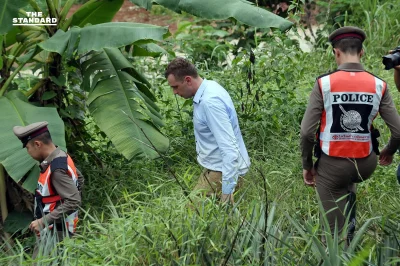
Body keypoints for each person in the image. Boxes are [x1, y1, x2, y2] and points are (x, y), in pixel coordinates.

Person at [300, 26, 400, 242]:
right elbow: (398, 132)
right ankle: (351, 232)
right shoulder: (379, 85)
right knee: (347, 181)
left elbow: (307, 133)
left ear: (336, 52)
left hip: (333, 164)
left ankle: (337, 247)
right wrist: (389, 151)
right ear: (362, 52)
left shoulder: (324, 84)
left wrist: (307, 166)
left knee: (332, 231)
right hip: (366, 164)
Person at [164, 57, 250, 204]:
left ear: (188, 80)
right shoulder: (209, 86)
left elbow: (229, 148)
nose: (174, 92)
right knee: (218, 221)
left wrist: (227, 191)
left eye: (176, 87)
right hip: (216, 168)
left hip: (223, 171)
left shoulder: (210, 103)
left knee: (192, 216)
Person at [13, 121, 83, 257]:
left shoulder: (56, 169)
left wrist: (43, 221)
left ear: (38, 144)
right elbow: (79, 179)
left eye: (28, 148)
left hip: (55, 231)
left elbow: (74, 200)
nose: (28, 152)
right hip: (56, 227)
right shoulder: (62, 155)